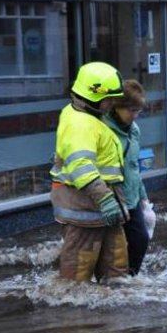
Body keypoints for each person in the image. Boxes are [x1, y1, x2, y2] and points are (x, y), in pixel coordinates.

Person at [50, 62, 130, 282]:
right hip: (86, 212)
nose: (112, 103)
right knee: (75, 281)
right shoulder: (81, 124)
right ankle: (73, 317)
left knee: (117, 273)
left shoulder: (85, 115)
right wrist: (105, 198)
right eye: (109, 98)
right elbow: (81, 166)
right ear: (93, 95)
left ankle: (114, 313)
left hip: (102, 211)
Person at [102, 79, 150, 276]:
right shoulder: (103, 129)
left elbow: (133, 167)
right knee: (113, 248)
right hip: (112, 199)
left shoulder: (134, 130)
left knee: (141, 239)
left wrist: (143, 196)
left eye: (138, 111)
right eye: (131, 110)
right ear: (117, 106)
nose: (135, 115)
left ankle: (129, 279)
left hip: (132, 198)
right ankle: (113, 281)